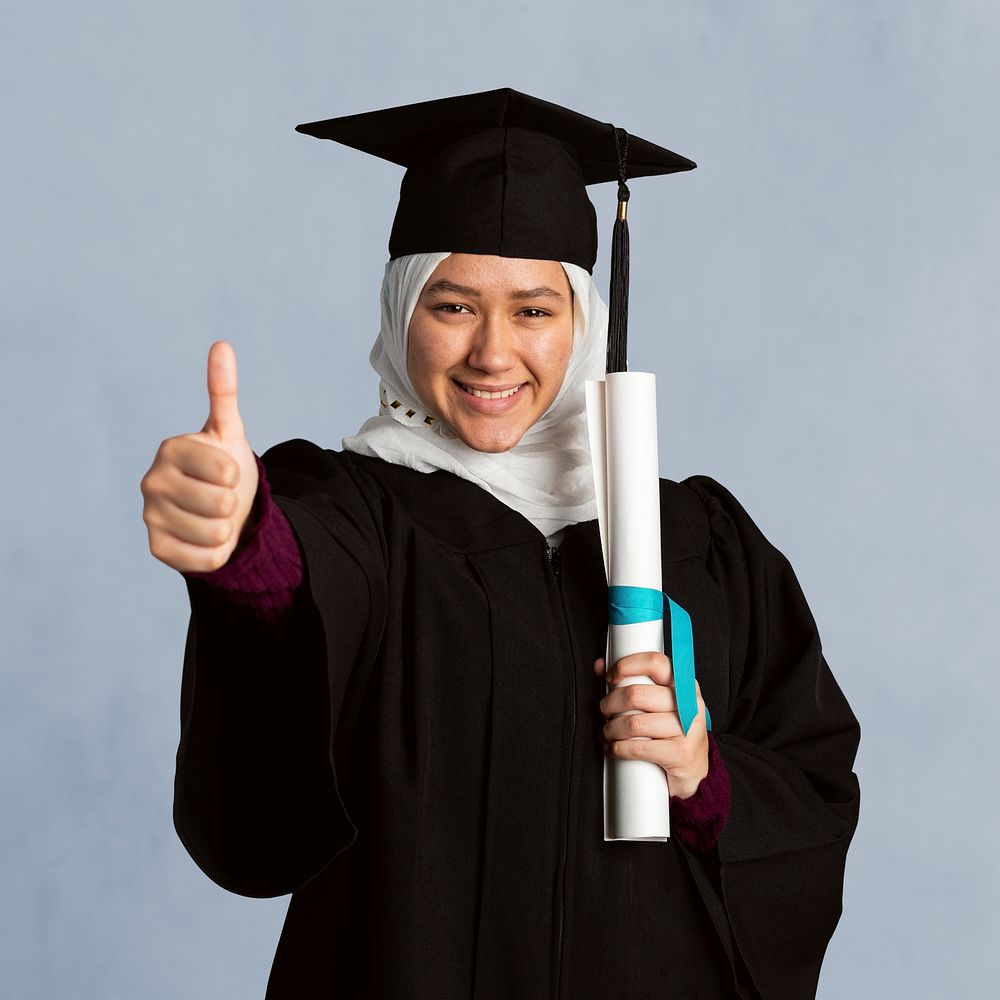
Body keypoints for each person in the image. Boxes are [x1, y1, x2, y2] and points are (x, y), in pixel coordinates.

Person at [140, 89, 860, 999]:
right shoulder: (358, 511)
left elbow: (813, 785)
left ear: (583, 321)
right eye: (452, 305)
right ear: (402, 309)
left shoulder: (700, 539)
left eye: (532, 310)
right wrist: (242, 546)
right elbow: (302, 587)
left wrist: (702, 776)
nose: (492, 354)